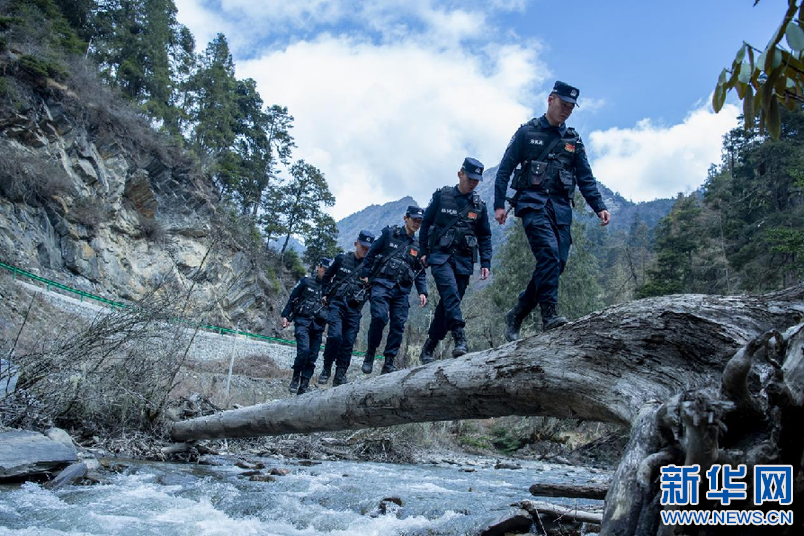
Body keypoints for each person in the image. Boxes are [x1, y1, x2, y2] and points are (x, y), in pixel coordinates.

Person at [493, 81, 610, 339]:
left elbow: (585, 178)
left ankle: (517, 313)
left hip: (560, 209)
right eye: (563, 104)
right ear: (550, 100)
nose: (566, 110)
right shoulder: (527, 132)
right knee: (548, 254)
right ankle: (549, 316)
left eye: (571, 107)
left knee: (557, 263)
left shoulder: (573, 140)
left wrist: (599, 206)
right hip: (532, 204)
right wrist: (499, 205)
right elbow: (504, 170)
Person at [419, 157, 492, 363]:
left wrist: (486, 262)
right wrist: (424, 251)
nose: (473, 183)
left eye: (476, 180)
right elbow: (426, 223)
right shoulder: (442, 197)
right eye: (470, 178)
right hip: (440, 257)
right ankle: (460, 337)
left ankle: (429, 346)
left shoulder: (479, 206)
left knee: (448, 303)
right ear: (460, 174)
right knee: (450, 294)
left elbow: (484, 236)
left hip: (463, 261)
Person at [358, 206, 428, 375]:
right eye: (414, 219)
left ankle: (389, 362)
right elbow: (371, 253)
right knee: (380, 317)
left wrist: (422, 291)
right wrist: (365, 274)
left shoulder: (418, 246)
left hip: (401, 290)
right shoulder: (390, 234)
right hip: (381, 284)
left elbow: (420, 272)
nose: (417, 223)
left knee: (398, 325)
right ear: (406, 218)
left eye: (420, 221)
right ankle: (370, 353)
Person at [319, 230, 375, 386]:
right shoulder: (341, 259)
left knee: (349, 342)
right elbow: (327, 277)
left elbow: (373, 290)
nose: (365, 251)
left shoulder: (370, 268)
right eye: (363, 247)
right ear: (356, 244)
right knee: (335, 336)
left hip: (354, 310)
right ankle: (326, 368)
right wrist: (325, 294)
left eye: (368, 248)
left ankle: (340, 374)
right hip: (337, 305)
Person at [280, 258, 331, 395]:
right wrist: (286, 316)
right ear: (319, 267)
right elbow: (292, 298)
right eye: (324, 269)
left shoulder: (331, 288)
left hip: (318, 326)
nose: (325, 272)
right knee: (304, 351)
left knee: (312, 356)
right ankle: (295, 378)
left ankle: (304, 384)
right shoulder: (306, 281)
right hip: (302, 321)